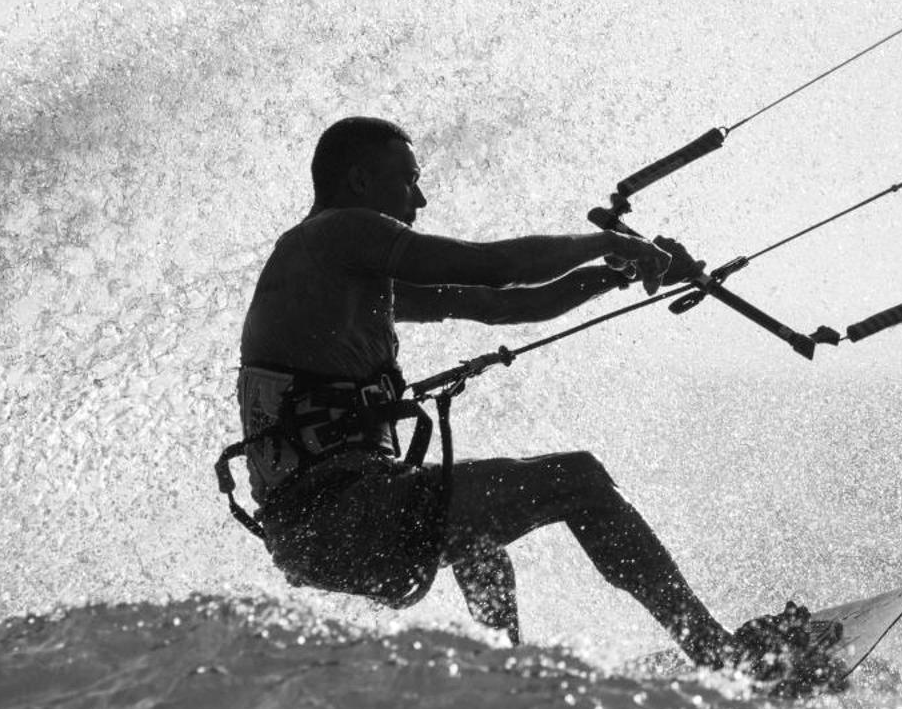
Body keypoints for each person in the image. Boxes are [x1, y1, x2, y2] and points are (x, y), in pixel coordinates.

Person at [231, 115, 831, 677]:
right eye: (408, 182)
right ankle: (715, 653)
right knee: (581, 480)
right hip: (347, 514)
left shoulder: (342, 273)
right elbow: (495, 268)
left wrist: (616, 275)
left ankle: (503, 680)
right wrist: (606, 245)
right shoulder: (338, 233)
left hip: (320, 530)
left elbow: (503, 306)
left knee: (475, 532)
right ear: (360, 180)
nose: (419, 200)